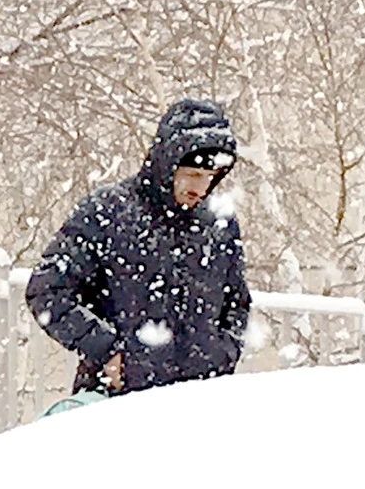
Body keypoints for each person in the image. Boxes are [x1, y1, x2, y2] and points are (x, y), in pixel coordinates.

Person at [25, 98, 251, 398]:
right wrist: (108, 351)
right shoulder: (106, 213)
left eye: (212, 178)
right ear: (167, 162)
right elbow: (47, 292)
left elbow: (236, 303)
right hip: (120, 403)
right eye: (193, 175)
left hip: (200, 402)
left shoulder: (218, 223)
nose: (202, 188)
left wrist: (222, 354)